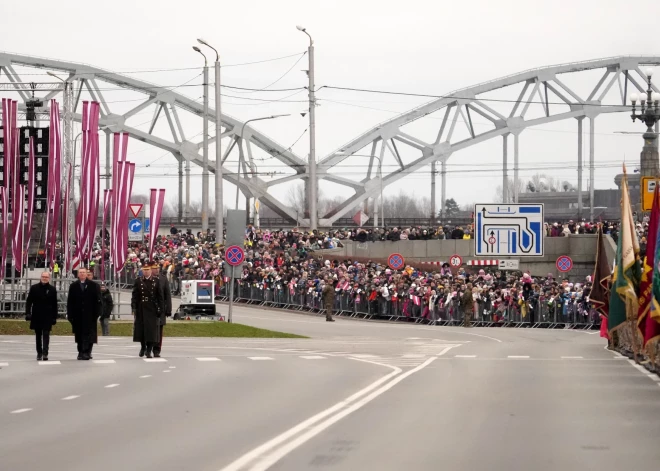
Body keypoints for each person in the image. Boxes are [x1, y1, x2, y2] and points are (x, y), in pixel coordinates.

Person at [67, 267, 102, 360]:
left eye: (84, 272)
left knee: (89, 334)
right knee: (79, 334)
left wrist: (97, 313)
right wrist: (70, 314)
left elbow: (98, 301)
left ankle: (87, 351)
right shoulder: (73, 286)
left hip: (90, 314)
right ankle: (80, 352)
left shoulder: (94, 285)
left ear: (87, 274)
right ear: (78, 274)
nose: (82, 274)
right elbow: (70, 301)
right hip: (77, 315)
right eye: (80, 272)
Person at [132, 262, 164, 358]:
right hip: (141, 307)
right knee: (141, 329)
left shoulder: (156, 281)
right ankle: (143, 347)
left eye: (148, 270)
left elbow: (160, 297)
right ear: (142, 271)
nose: (146, 272)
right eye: (144, 270)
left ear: (151, 270)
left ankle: (149, 350)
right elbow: (134, 296)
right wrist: (134, 307)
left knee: (151, 330)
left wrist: (161, 309)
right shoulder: (138, 281)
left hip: (152, 308)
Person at [25, 271, 59, 361]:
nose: (44, 278)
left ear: (49, 278)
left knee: (46, 335)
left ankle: (45, 353)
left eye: (46, 277)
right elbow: (29, 302)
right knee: (38, 335)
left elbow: (55, 304)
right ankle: (39, 353)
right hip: (37, 315)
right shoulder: (34, 288)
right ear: (41, 277)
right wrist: (28, 313)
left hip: (48, 315)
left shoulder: (52, 289)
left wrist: (54, 317)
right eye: (43, 276)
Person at [154, 262, 171, 357]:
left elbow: (167, 295)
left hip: (161, 309)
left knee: (159, 330)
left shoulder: (163, 279)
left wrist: (168, 308)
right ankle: (149, 347)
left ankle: (157, 349)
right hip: (151, 308)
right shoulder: (148, 279)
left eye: (157, 268)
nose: (156, 269)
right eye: (154, 268)